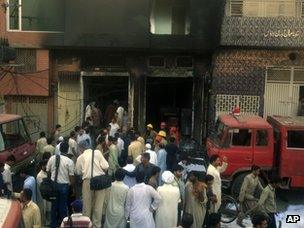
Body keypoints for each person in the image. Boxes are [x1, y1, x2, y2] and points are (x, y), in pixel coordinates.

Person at [75, 141, 109, 228]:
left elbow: (78, 172)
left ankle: (86, 225)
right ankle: (96, 225)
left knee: (87, 205)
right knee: (98, 205)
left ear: (81, 148)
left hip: (87, 181)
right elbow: (106, 166)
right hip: (100, 181)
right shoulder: (97, 153)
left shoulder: (80, 157)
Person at [46, 142, 75, 228]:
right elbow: (72, 178)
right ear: (67, 149)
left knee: (54, 206)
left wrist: (51, 180)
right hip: (64, 187)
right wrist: (71, 187)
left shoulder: (52, 158)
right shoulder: (69, 161)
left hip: (53, 185)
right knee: (63, 206)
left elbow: (48, 171)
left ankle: (53, 225)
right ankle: (63, 224)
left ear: (59, 149)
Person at [36, 160, 51, 226]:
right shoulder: (40, 175)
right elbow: (42, 188)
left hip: (49, 196)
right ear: (42, 166)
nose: (47, 167)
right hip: (43, 197)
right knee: (44, 211)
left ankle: (49, 223)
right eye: (45, 166)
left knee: (49, 210)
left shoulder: (47, 173)